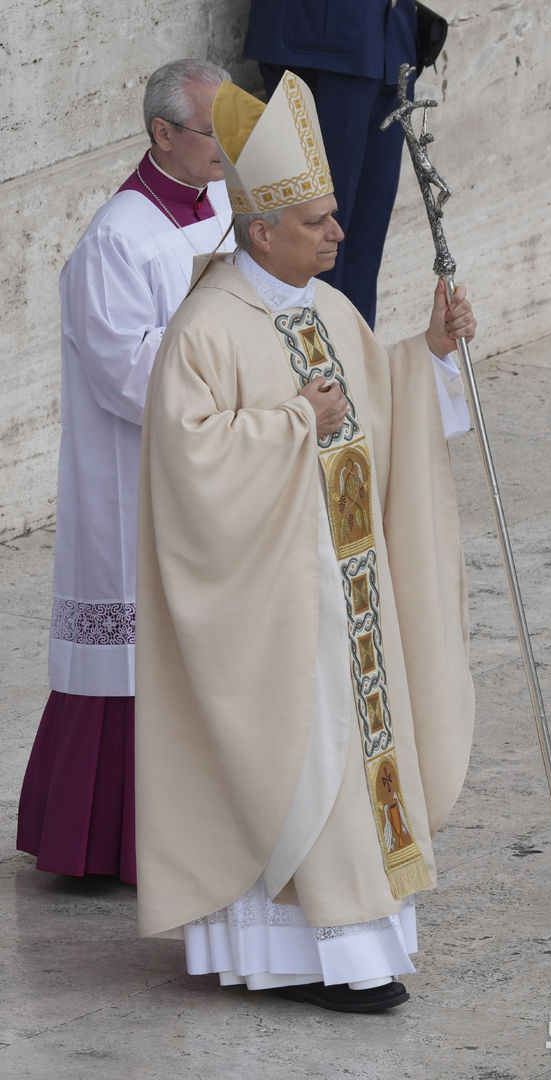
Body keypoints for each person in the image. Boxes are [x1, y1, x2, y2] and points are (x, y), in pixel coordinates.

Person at [134, 72, 476, 1013]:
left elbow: (380, 402)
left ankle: (358, 947)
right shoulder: (205, 332)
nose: (337, 233)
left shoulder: (327, 309)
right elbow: (188, 466)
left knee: (356, 754)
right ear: (261, 232)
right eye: (319, 220)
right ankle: (306, 957)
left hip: (348, 593)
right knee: (306, 758)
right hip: (276, 610)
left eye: (333, 218)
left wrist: (431, 356)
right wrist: (293, 423)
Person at [16, 58, 234, 885]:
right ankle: (98, 841)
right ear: (163, 134)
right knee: (127, 668)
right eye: (218, 133)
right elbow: (125, 374)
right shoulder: (117, 239)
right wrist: (229, 377)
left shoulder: (218, 201)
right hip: (130, 481)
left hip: (205, 470)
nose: (229, 149)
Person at [243, 0, 418, 328]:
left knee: (365, 239)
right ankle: (315, 367)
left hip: (388, 40)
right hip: (321, 41)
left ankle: (356, 362)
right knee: (316, 234)